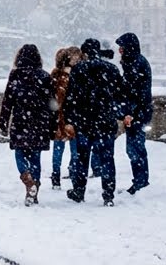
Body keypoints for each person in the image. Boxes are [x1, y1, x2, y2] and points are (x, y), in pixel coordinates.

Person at [64, 38, 127, 206]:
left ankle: (79, 190)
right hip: (105, 121)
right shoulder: (112, 69)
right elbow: (121, 95)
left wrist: (70, 120)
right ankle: (108, 194)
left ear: (84, 52)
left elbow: (71, 98)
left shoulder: (78, 70)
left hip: (84, 122)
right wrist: (119, 114)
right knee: (107, 158)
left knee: (82, 158)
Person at [0, 44, 55, 206]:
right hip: (40, 122)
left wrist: (3, 122)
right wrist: (53, 126)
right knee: (35, 156)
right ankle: (34, 186)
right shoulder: (44, 76)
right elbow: (52, 103)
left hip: (21, 120)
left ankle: (27, 179)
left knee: (20, 152)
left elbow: (7, 101)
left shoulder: (15, 75)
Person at [115, 32, 152, 195]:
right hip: (140, 112)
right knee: (135, 148)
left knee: (135, 148)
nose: (119, 51)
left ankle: (140, 181)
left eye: (121, 48)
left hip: (138, 113)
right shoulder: (136, 62)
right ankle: (140, 179)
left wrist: (130, 113)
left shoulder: (136, 64)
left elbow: (137, 93)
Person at [48, 46, 81, 189]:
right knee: (74, 151)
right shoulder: (75, 76)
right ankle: (72, 173)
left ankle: (56, 176)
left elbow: (54, 100)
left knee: (58, 150)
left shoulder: (55, 76)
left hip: (59, 117)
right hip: (73, 118)